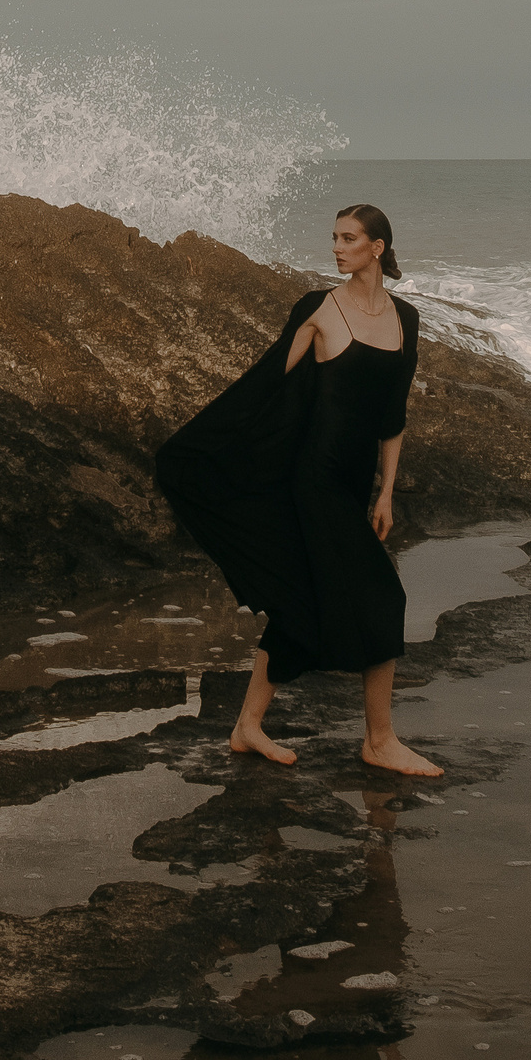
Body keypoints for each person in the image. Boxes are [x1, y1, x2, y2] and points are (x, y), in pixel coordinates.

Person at [154, 204, 442, 776]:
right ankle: (379, 740)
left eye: (349, 238)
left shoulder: (405, 319)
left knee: (300, 603)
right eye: (334, 237)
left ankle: (246, 727)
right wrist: (216, 450)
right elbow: (265, 389)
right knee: (384, 596)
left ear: (378, 247)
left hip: (355, 483)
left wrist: (385, 494)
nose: (337, 248)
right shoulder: (319, 309)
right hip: (312, 480)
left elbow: (393, 415)